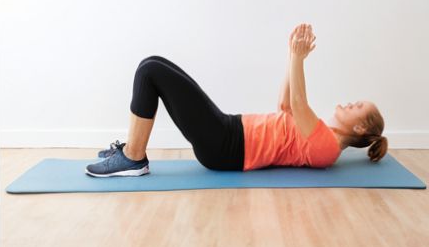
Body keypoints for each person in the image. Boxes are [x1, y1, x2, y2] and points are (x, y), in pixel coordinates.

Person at [86, 24, 388, 177]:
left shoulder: (327, 147)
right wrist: (291, 54)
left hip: (226, 147)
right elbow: (286, 106)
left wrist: (299, 58)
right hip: (228, 129)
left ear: (361, 129)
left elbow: (298, 103)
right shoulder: (320, 130)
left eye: (358, 107)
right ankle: (131, 151)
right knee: (151, 63)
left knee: (151, 72)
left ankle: (133, 157)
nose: (351, 103)